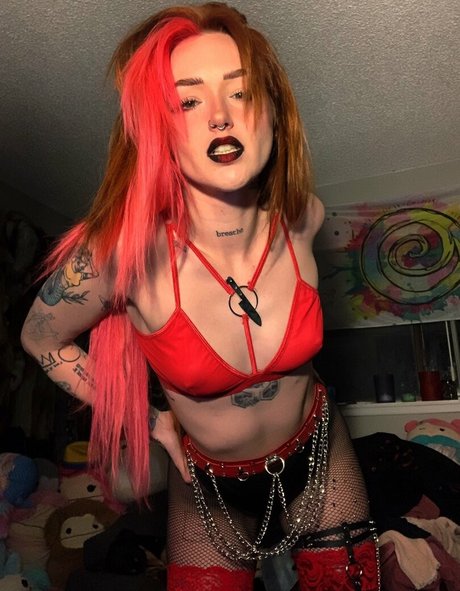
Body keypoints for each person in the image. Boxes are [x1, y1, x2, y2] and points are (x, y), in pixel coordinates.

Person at [21, 3, 380, 590]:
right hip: (206, 483)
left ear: (273, 114)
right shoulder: (119, 256)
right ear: (157, 132)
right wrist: (152, 422)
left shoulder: (304, 220)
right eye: (187, 102)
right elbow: (40, 339)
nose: (219, 116)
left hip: (320, 452)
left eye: (241, 93)